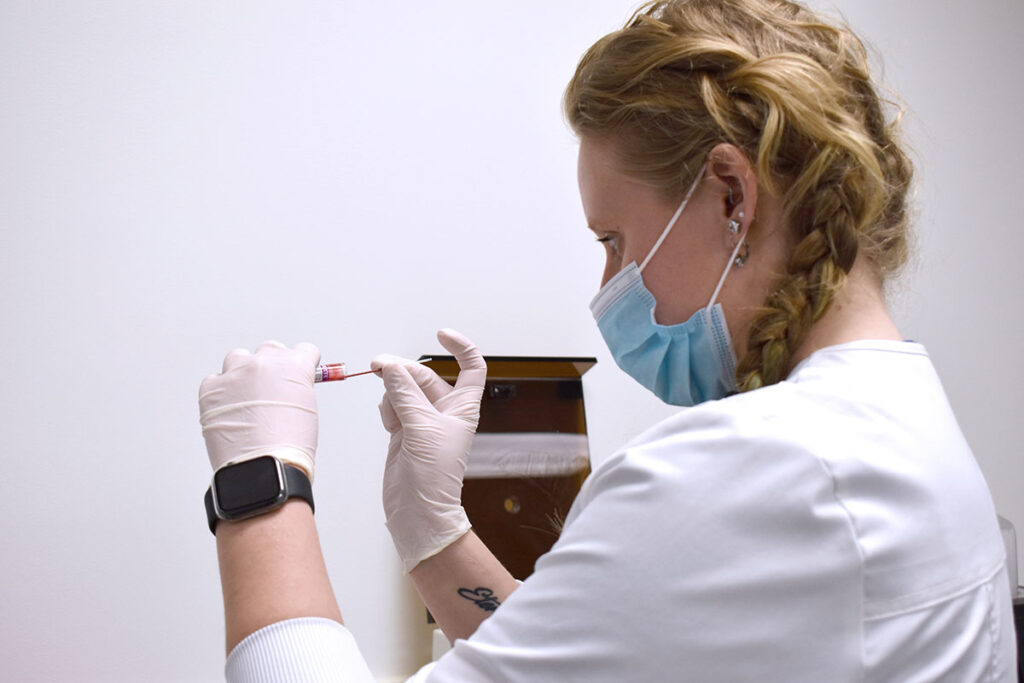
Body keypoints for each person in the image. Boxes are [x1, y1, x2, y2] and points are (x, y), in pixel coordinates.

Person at [197, 0, 1017, 680]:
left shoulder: (754, 468)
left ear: (733, 192)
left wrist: (259, 486)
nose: (605, 290)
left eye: (615, 241)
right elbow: (580, 655)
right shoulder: (902, 417)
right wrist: (433, 529)